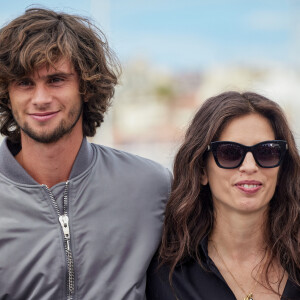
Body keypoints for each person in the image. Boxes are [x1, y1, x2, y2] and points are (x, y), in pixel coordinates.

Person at [0, 8, 171, 300]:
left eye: (56, 80)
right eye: (25, 83)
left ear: (87, 87)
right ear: (7, 93)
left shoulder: (151, 185)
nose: (40, 99)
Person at [146, 91, 300, 300]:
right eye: (229, 153)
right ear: (201, 170)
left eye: (266, 152)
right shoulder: (168, 276)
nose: (250, 166)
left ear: (282, 167)